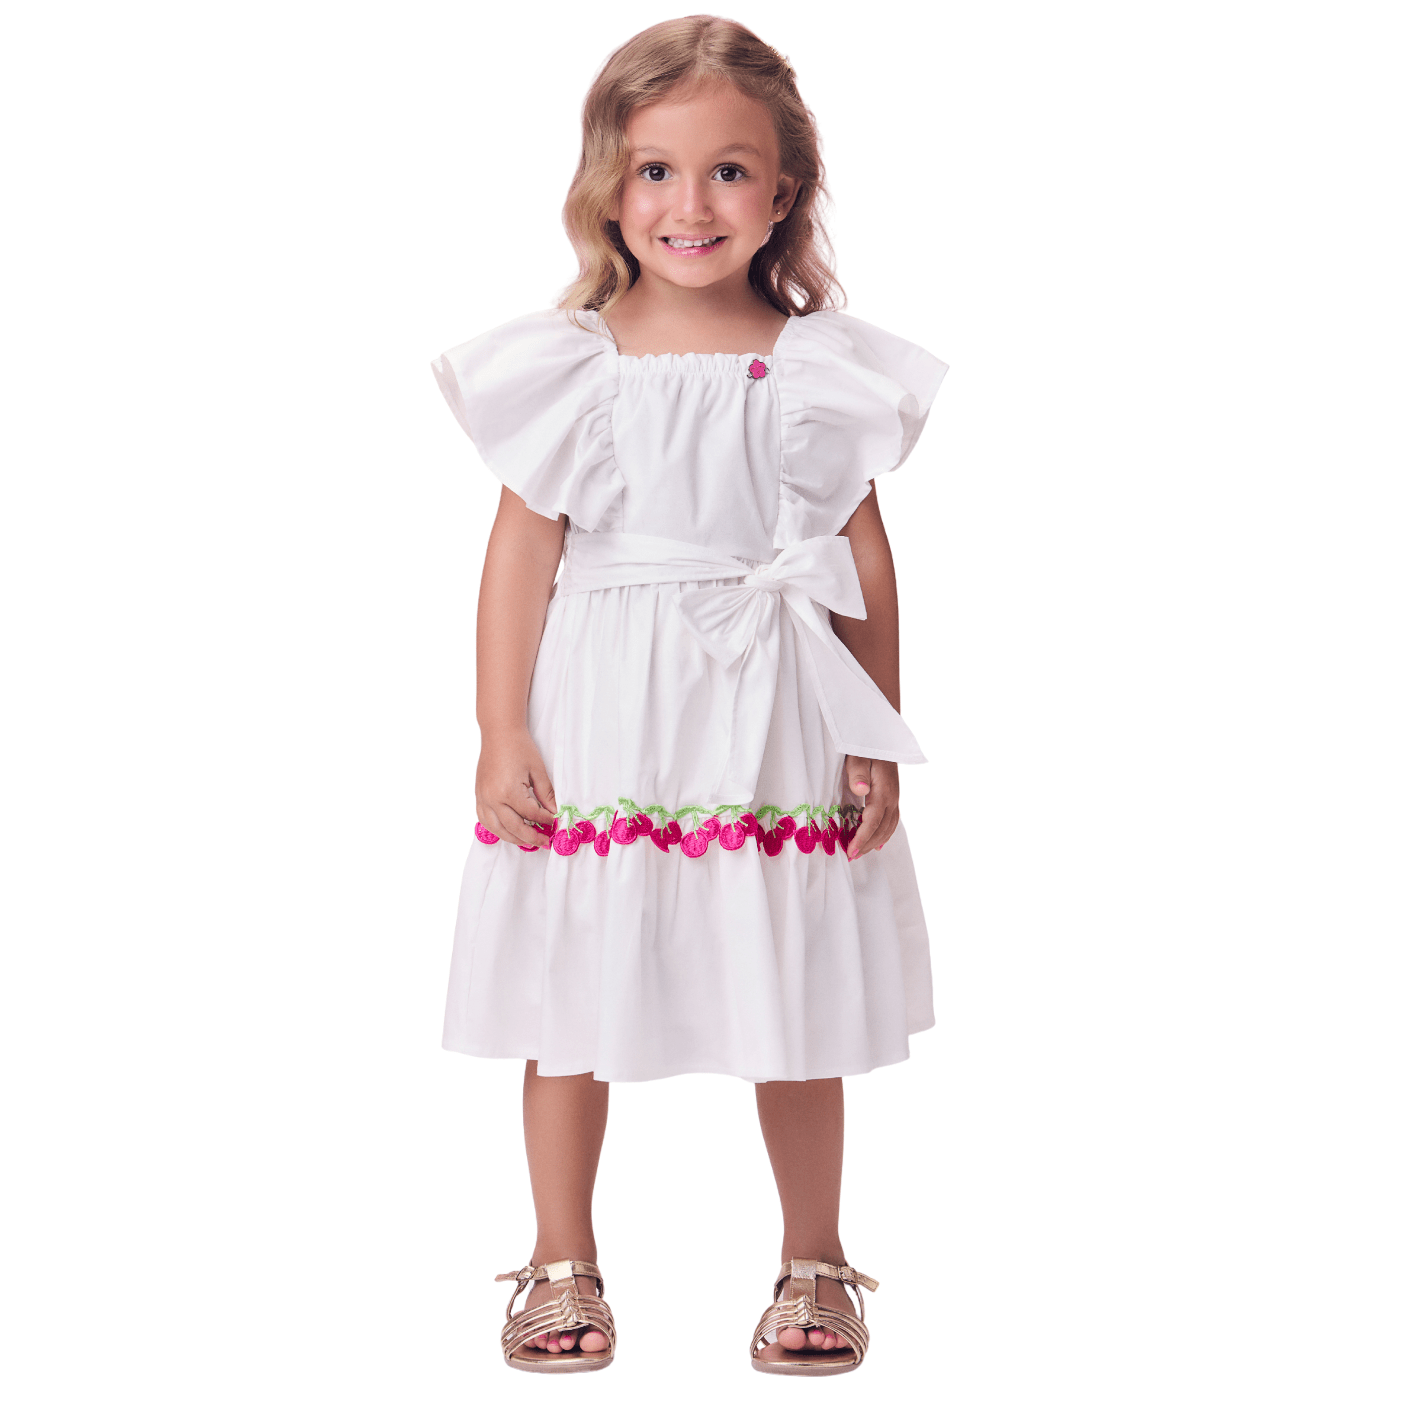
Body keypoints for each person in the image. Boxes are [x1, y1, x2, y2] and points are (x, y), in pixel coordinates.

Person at [431, 15, 947, 1376]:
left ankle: (814, 1255)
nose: (691, 203)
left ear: (784, 190)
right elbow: (520, 554)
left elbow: (860, 553)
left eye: (729, 171)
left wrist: (875, 730)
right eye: (656, 170)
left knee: (792, 982)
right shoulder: (573, 364)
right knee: (571, 983)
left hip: (773, 700)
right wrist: (500, 728)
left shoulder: (819, 365)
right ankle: (559, 1257)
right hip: (608, 702)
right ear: (608, 185)